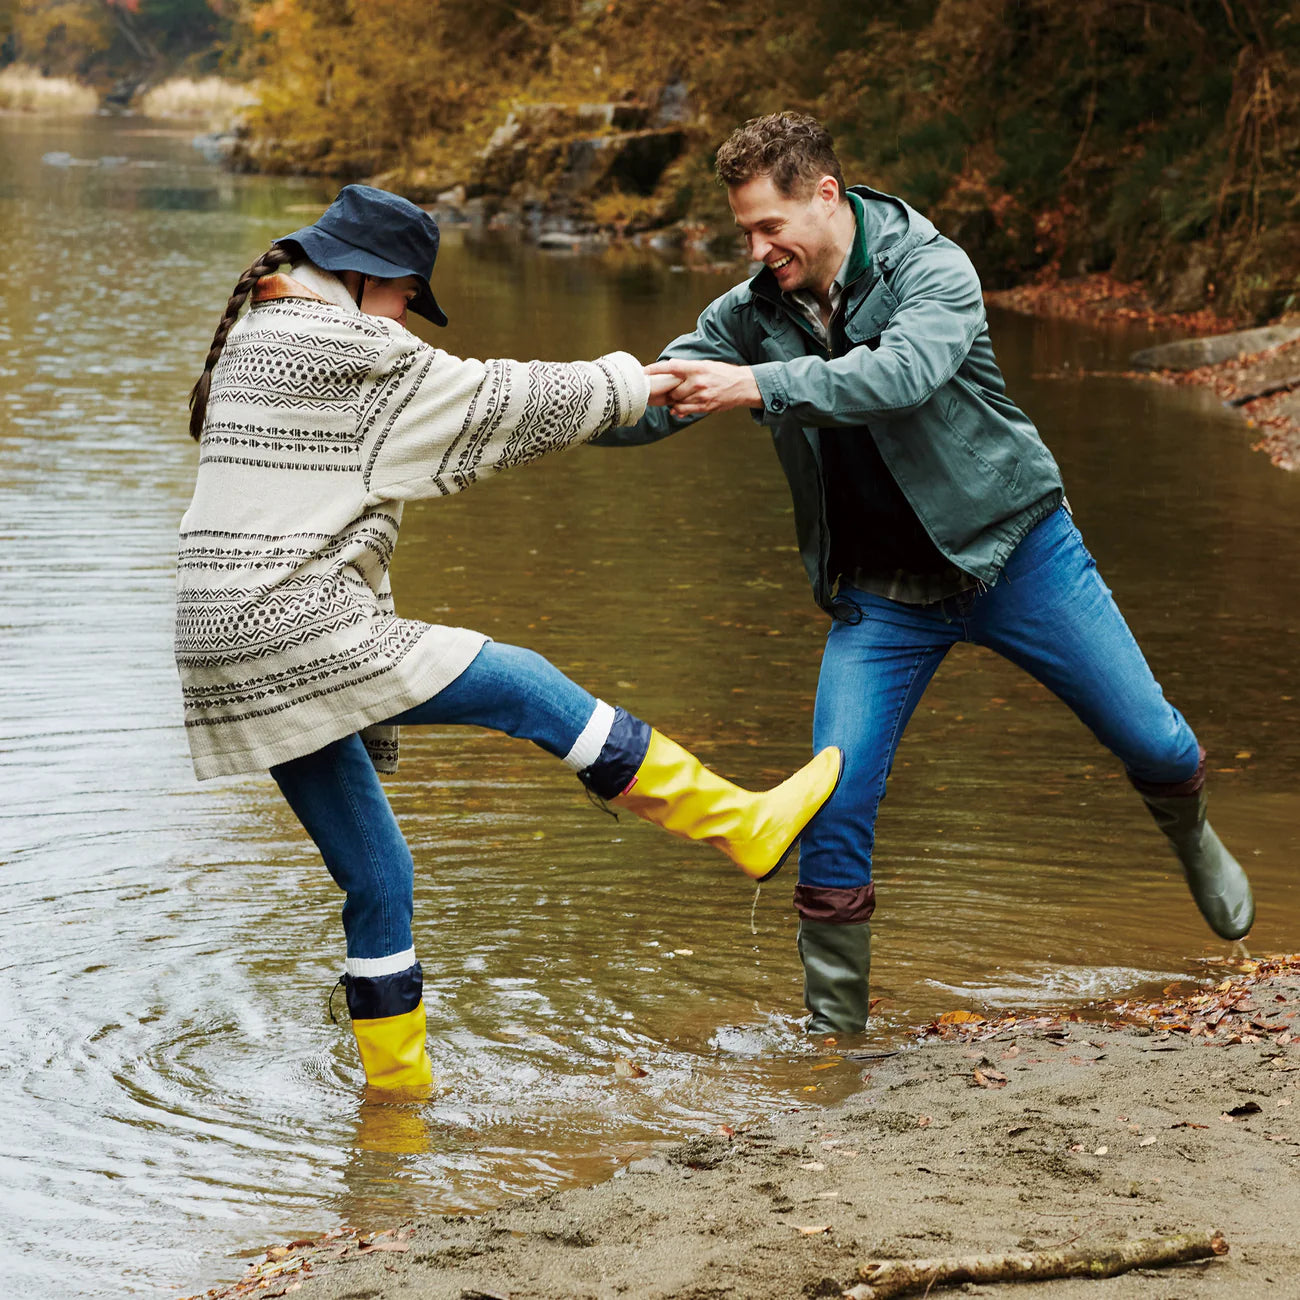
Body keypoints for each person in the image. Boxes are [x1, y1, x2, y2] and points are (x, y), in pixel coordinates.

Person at [598, 112, 1254, 1036]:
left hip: (1016, 554)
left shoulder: (931, 269)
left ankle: (1189, 834)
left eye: (768, 226)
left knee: (1151, 740)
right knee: (831, 801)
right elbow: (660, 399)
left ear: (825, 196)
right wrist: (553, 401)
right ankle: (837, 1046)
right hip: (881, 597)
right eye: (744, 230)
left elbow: (900, 377)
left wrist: (761, 386)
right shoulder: (751, 313)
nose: (755, 248)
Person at [176, 184, 842, 1095]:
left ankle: (396, 1106)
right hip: (291, 626)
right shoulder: (340, 343)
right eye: (411, 296)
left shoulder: (263, 327)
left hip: (223, 645)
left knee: (379, 876)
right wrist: (631, 383)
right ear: (370, 277)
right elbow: (493, 398)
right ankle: (738, 824)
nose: (409, 318)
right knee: (525, 685)